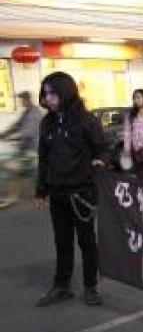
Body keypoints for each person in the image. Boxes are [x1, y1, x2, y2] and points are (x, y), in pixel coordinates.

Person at [34, 72, 110, 307]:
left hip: (82, 193)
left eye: (53, 94)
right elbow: (43, 159)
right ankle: (61, 286)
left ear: (65, 93)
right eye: (46, 94)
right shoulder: (47, 122)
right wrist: (41, 191)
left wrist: (100, 160)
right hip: (57, 193)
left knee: (87, 241)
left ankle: (90, 287)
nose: (48, 99)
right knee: (62, 241)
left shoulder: (86, 121)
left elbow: (103, 149)